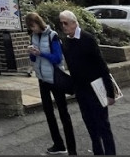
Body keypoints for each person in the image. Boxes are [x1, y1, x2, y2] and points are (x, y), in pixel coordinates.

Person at [59, 9, 116, 155]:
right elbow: (73, 69)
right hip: (81, 91)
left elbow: (101, 65)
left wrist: (110, 92)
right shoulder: (67, 42)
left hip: (96, 89)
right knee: (90, 125)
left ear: (74, 23)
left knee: (103, 125)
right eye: (61, 23)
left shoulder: (87, 39)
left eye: (66, 23)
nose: (63, 26)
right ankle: (98, 152)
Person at [26, 11, 77, 155]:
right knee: (49, 113)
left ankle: (72, 149)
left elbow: (57, 58)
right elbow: (35, 60)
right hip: (42, 78)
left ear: (39, 23)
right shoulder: (33, 36)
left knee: (63, 113)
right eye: (30, 27)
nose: (33, 29)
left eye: (33, 26)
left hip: (55, 78)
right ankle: (58, 144)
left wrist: (40, 53)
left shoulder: (52, 36)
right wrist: (32, 52)